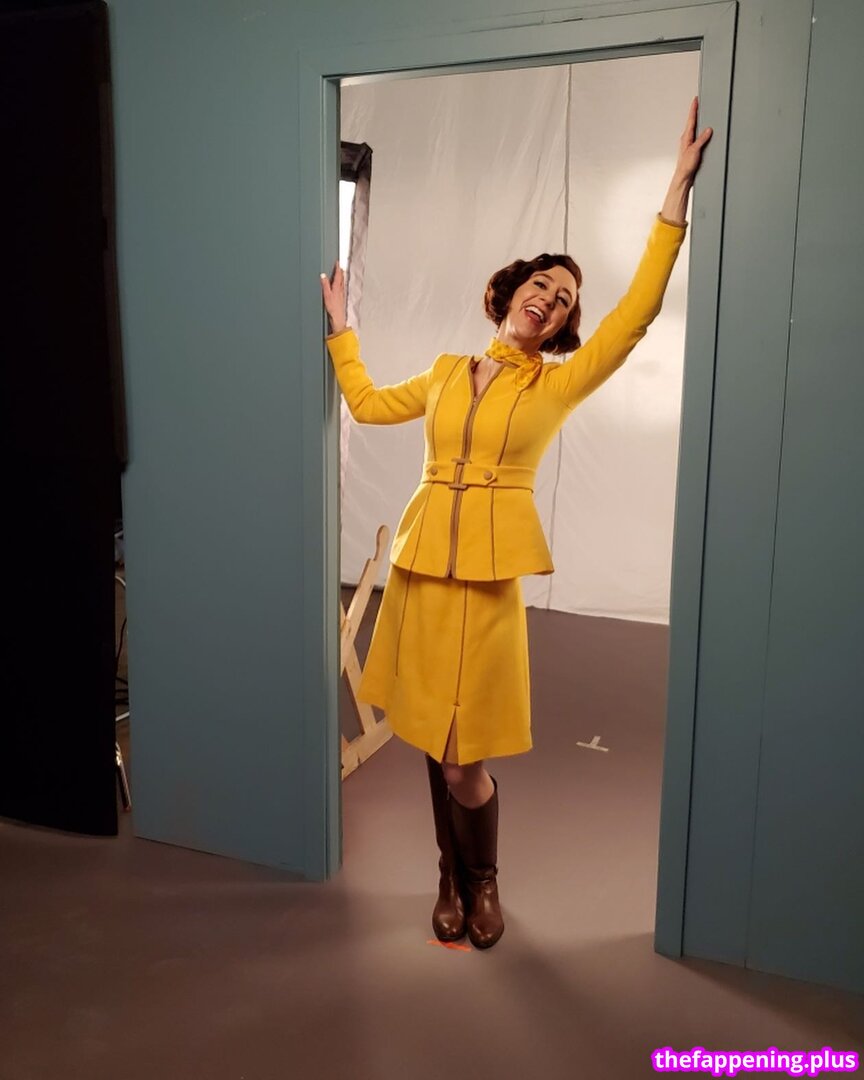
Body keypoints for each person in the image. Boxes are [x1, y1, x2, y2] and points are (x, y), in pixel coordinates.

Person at [321, 97, 712, 950]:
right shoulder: (445, 371)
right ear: (510, 291)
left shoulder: (556, 386)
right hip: (423, 569)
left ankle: (484, 879)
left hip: (489, 581)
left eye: (565, 300)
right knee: (432, 734)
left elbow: (637, 314)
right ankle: (448, 878)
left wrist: (675, 194)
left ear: (565, 326)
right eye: (542, 284)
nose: (552, 300)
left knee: (468, 752)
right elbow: (368, 403)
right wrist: (343, 333)